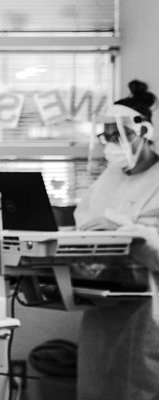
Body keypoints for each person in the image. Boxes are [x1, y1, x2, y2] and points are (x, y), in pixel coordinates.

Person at [74, 79, 159, 400]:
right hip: (102, 303)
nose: (111, 143)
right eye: (106, 136)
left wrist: (134, 234)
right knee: (99, 384)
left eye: (119, 135)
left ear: (145, 132)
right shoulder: (108, 178)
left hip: (148, 310)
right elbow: (85, 220)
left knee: (140, 385)